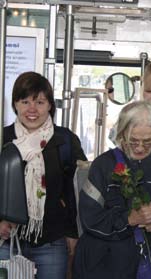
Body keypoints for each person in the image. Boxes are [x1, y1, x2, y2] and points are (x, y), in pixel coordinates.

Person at [0, 71, 87, 279]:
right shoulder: (4, 139)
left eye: (39, 102)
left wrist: (73, 234)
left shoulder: (65, 140)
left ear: (49, 105)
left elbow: (74, 191)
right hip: (6, 240)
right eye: (25, 101)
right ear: (15, 105)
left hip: (52, 241)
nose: (32, 109)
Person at [73, 100, 151, 279]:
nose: (140, 148)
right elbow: (89, 218)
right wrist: (129, 219)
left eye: (148, 142)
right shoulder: (103, 165)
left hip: (145, 264)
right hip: (102, 265)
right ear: (121, 134)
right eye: (133, 141)